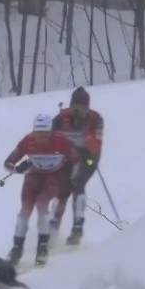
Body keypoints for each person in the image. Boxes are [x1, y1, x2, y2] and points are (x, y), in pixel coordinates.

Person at [3, 113, 81, 267]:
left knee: (41, 204)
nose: (41, 138)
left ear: (51, 132)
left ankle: (42, 246)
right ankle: (17, 248)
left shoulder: (61, 141)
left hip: (53, 177)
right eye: (37, 133)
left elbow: (77, 161)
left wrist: (73, 179)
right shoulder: (28, 141)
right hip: (33, 177)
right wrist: (17, 169)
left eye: (45, 134)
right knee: (25, 210)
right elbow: (7, 163)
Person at [50, 86, 104, 246]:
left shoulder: (96, 119)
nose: (78, 111)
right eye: (75, 107)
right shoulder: (61, 118)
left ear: (88, 108)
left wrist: (84, 136)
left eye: (82, 108)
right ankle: (53, 227)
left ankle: (77, 228)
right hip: (67, 156)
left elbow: (97, 144)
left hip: (89, 157)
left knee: (78, 184)